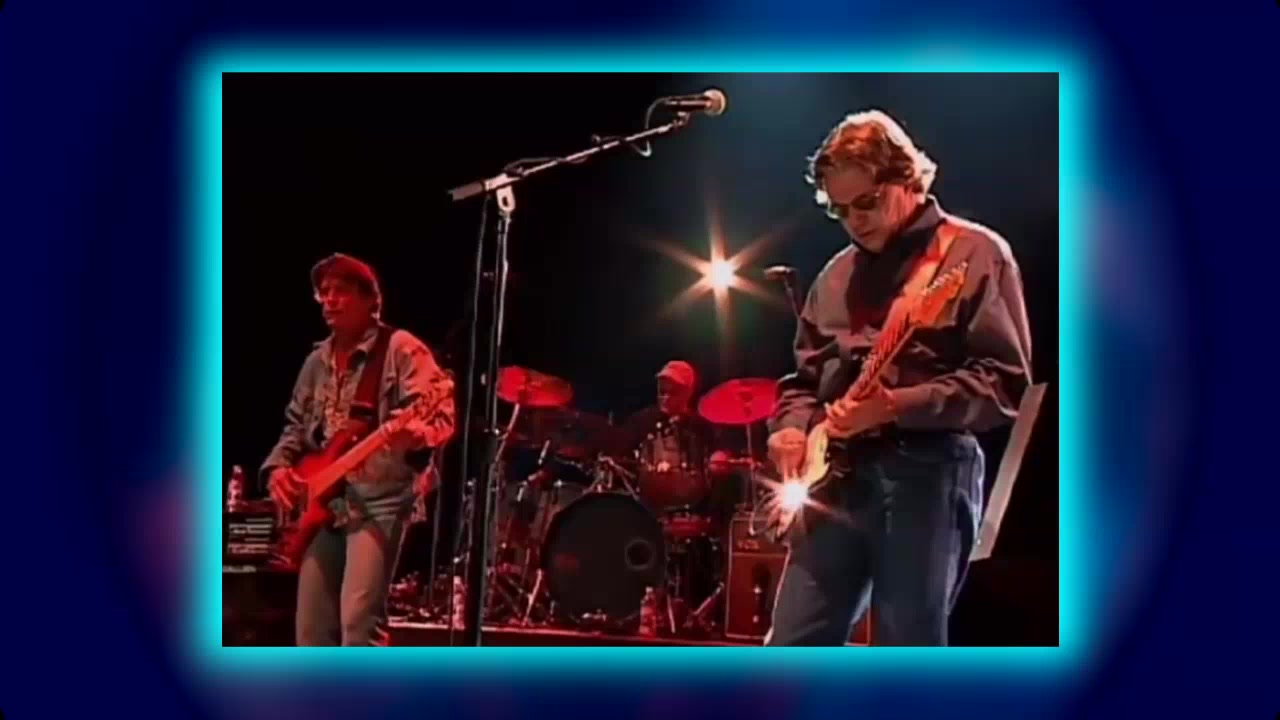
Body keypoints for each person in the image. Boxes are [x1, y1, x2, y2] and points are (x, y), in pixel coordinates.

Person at [765, 109, 1033, 646]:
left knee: (907, 645)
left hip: (926, 475)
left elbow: (1003, 384)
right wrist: (790, 428)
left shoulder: (974, 253)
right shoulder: (834, 275)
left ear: (908, 178)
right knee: (790, 643)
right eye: (839, 210)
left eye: (866, 202)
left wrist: (894, 405)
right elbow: (803, 381)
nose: (854, 220)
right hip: (834, 481)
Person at [260, 253, 456, 646]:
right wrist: (278, 468)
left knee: (359, 622)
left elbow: (441, 412)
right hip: (324, 502)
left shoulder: (401, 348)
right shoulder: (316, 361)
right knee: (311, 630)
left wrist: (417, 434)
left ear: (371, 300)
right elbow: (295, 426)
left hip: (381, 498)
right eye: (324, 292)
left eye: (342, 291)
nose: (329, 300)